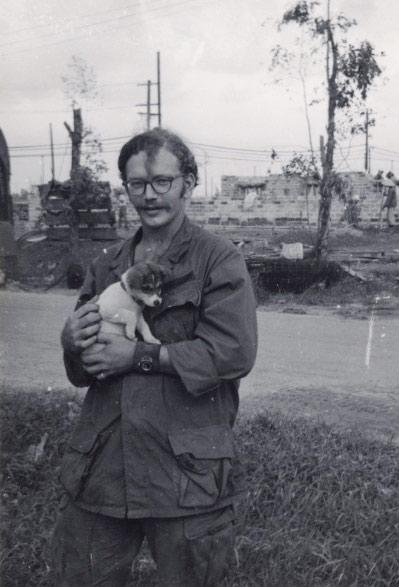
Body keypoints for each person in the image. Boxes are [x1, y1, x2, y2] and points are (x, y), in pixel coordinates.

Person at [52, 128, 258, 586]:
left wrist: (139, 356)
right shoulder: (107, 264)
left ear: (188, 182)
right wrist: (71, 341)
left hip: (185, 475)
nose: (150, 196)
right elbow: (82, 373)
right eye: (137, 184)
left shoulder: (217, 260)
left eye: (162, 182)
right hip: (103, 469)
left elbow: (231, 353)